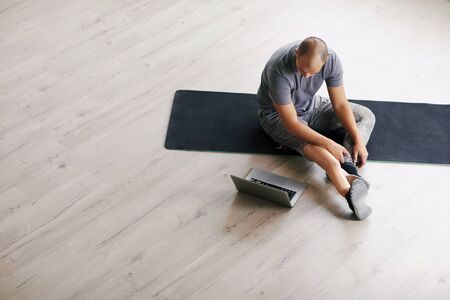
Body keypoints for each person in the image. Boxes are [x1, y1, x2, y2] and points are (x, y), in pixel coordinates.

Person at [256, 37, 376, 220]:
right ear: (297, 53)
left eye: (313, 73)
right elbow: (293, 124)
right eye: (302, 70)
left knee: (365, 116)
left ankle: (349, 168)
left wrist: (358, 139)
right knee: (318, 147)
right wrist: (329, 144)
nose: (306, 76)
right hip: (278, 117)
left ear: (325, 61)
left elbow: (341, 104)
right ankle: (346, 187)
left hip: (313, 107)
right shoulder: (278, 69)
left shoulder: (332, 60)